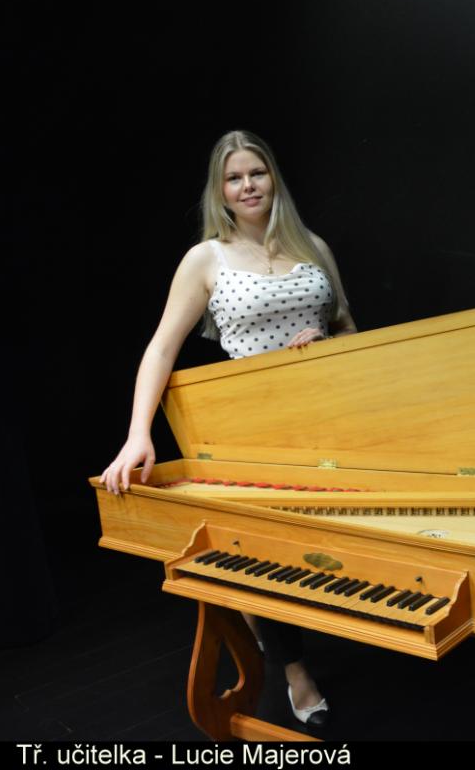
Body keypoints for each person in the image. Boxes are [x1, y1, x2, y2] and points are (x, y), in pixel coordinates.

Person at [100, 130, 357, 731]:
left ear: (273, 178)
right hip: (247, 427)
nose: (248, 186)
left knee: (338, 552)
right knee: (256, 553)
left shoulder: (313, 246)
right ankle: (294, 670)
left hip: (328, 421)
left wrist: (326, 343)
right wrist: (139, 434)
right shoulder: (206, 258)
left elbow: (349, 328)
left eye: (256, 173)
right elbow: (161, 348)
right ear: (220, 191)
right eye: (234, 178)